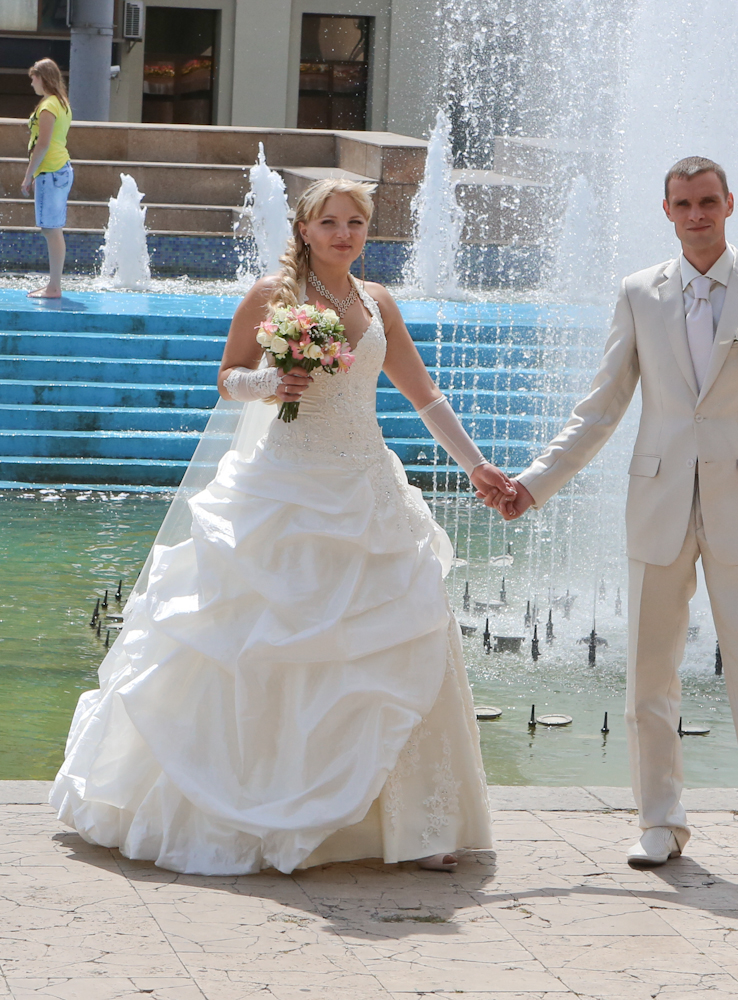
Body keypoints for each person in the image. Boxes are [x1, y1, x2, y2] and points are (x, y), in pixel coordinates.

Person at [50, 178, 515, 876]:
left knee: (394, 645)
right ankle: (268, 809)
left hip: (367, 491)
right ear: (304, 228)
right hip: (284, 490)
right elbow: (228, 376)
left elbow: (425, 396)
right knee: (265, 644)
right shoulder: (274, 296)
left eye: (356, 222)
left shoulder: (378, 301)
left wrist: (477, 466)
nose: (343, 233)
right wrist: (269, 385)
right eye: (329, 222)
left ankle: (414, 824)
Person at [490, 157, 738, 894]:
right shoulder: (638, 294)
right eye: (684, 204)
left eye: (709, 202)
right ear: (666, 210)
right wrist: (533, 486)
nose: (698, 215)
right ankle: (659, 823)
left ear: (730, 204)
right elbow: (599, 410)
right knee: (648, 676)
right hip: (656, 504)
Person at [21, 58, 73, 299]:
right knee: (53, 229)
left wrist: (27, 176)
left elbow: (42, 144)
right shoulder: (60, 103)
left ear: (43, 77)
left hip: (50, 171)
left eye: (34, 77)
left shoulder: (48, 106)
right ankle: (54, 284)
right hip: (59, 169)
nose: (31, 82)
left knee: (51, 230)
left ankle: (54, 287)